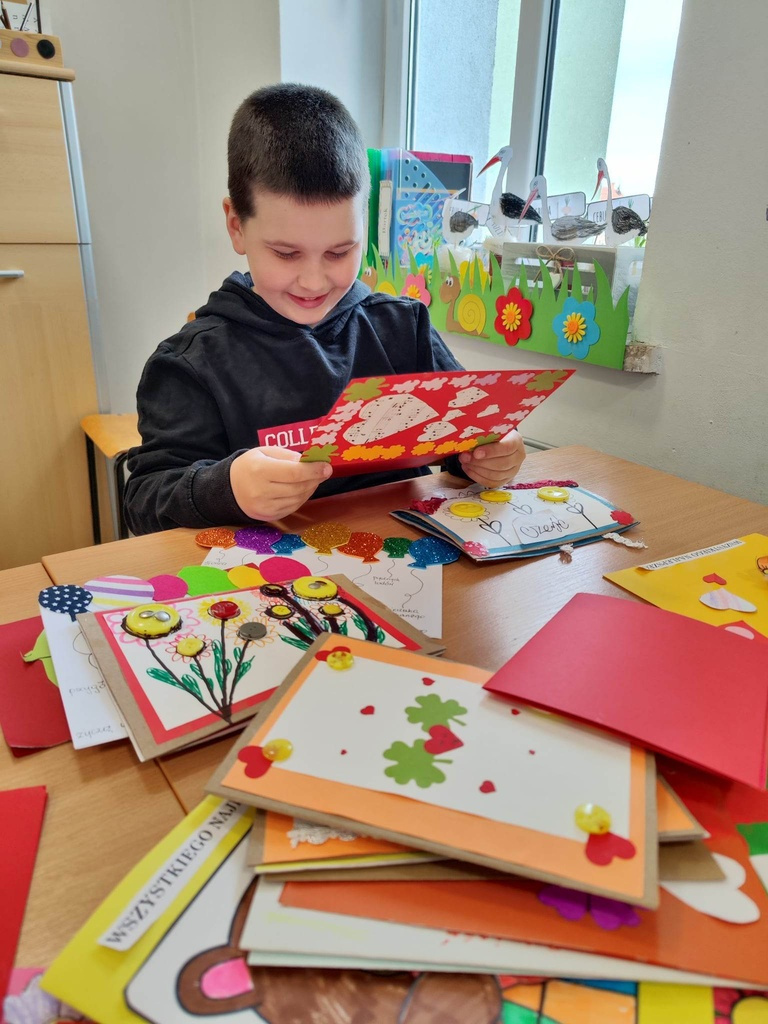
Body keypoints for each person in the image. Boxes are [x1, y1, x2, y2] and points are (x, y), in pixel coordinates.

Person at [124, 84, 525, 536]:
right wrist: (226, 487)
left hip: (408, 555)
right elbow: (144, 501)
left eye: (340, 252)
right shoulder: (190, 363)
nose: (314, 282)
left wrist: (487, 455)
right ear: (236, 226)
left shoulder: (403, 327)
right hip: (268, 569)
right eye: (285, 253)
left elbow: (465, 433)